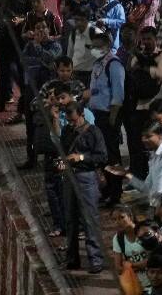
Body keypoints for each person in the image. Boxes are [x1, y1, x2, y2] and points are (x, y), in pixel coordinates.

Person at [55, 102, 106, 273]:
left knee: (89, 219)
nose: (71, 123)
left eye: (73, 120)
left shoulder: (93, 132)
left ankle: (96, 260)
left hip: (86, 178)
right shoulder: (67, 131)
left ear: (81, 115)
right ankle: (72, 259)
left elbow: (102, 156)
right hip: (69, 178)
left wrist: (81, 157)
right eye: (69, 120)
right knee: (70, 219)